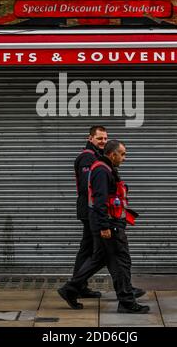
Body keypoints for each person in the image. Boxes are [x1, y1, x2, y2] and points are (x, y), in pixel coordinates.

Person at [59, 140, 149, 314]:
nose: (124, 158)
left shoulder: (105, 168)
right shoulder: (101, 170)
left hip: (107, 223)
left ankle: (70, 289)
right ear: (112, 154)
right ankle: (126, 302)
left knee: (99, 259)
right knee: (121, 261)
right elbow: (100, 201)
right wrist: (104, 226)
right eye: (122, 154)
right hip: (109, 225)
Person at [72, 125, 108, 298]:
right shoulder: (88, 157)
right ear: (90, 138)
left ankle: (78, 285)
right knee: (91, 248)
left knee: (87, 247)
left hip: (91, 207)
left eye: (105, 139)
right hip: (89, 208)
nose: (103, 142)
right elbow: (88, 186)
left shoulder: (96, 156)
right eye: (99, 138)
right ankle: (76, 286)